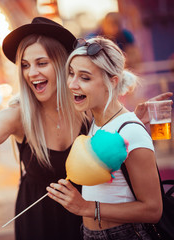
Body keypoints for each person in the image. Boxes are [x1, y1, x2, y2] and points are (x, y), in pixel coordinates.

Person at [0, 17, 171, 240]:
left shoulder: (86, 110)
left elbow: (116, 129)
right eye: (25, 65)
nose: (32, 73)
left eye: (41, 63)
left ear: (63, 65)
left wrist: (135, 121)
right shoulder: (19, 115)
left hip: (84, 219)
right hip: (38, 222)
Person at [46, 36, 165, 239]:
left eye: (85, 77)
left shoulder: (131, 131)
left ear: (112, 81)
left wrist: (85, 207)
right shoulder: (97, 121)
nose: (72, 84)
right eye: (71, 73)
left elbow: (153, 210)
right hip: (89, 233)